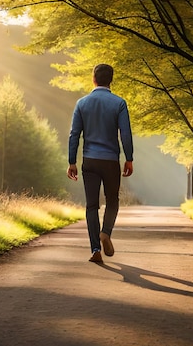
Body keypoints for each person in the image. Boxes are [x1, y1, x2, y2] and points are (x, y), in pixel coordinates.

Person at [67, 63, 134, 263]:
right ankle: (105, 233)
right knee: (112, 201)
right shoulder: (119, 103)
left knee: (91, 206)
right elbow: (126, 134)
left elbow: (74, 134)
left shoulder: (82, 103)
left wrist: (72, 161)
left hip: (90, 161)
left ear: (93, 79)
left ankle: (95, 249)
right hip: (111, 161)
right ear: (110, 80)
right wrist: (129, 158)